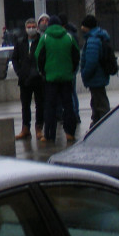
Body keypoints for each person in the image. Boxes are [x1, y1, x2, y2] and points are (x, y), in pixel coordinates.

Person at [35, 16, 80, 144]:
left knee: (50, 106)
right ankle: (70, 133)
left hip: (50, 78)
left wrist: (43, 71)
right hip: (66, 77)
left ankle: (49, 134)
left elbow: (38, 56)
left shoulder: (45, 38)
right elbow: (76, 55)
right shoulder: (69, 37)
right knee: (68, 105)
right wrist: (71, 70)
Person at [12, 18, 45, 140]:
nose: (31, 29)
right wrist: (19, 72)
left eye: (33, 26)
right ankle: (25, 129)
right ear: (25, 29)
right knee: (25, 105)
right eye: (29, 27)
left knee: (40, 104)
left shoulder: (42, 40)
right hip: (24, 78)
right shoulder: (20, 41)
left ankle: (39, 128)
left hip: (38, 78)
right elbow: (15, 58)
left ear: (36, 28)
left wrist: (42, 72)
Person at [79, 14, 112, 128]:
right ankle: (97, 122)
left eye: (83, 25)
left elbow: (91, 61)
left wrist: (85, 74)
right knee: (97, 101)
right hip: (99, 75)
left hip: (95, 77)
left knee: (100, 102)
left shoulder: (93, 40)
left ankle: (103, 124)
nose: (81, 28)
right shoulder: (98, 36)